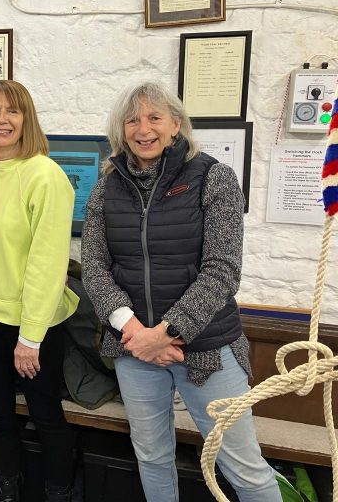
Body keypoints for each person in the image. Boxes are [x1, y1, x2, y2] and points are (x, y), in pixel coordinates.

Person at [81, 81, 282, 502]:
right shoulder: (106, 187)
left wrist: (164, 334)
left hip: (207, 348)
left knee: (242, 466)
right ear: (121, 129)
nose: (143, 128)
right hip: (134, 349)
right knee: (152, 456)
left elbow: (223, 270)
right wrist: (136, 332)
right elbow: (96, 269)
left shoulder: (213, 177)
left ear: (176, 124)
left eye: (154, 117)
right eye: (132, 119)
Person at [0, 80, 79, 502]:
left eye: (12, 111)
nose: (1, 119)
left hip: (34, 325)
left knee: (45, 414)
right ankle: (5, 490)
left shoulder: (45, 176)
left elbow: (48, 264)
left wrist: (30, 337)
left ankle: (59, 493)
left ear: (26, 119)